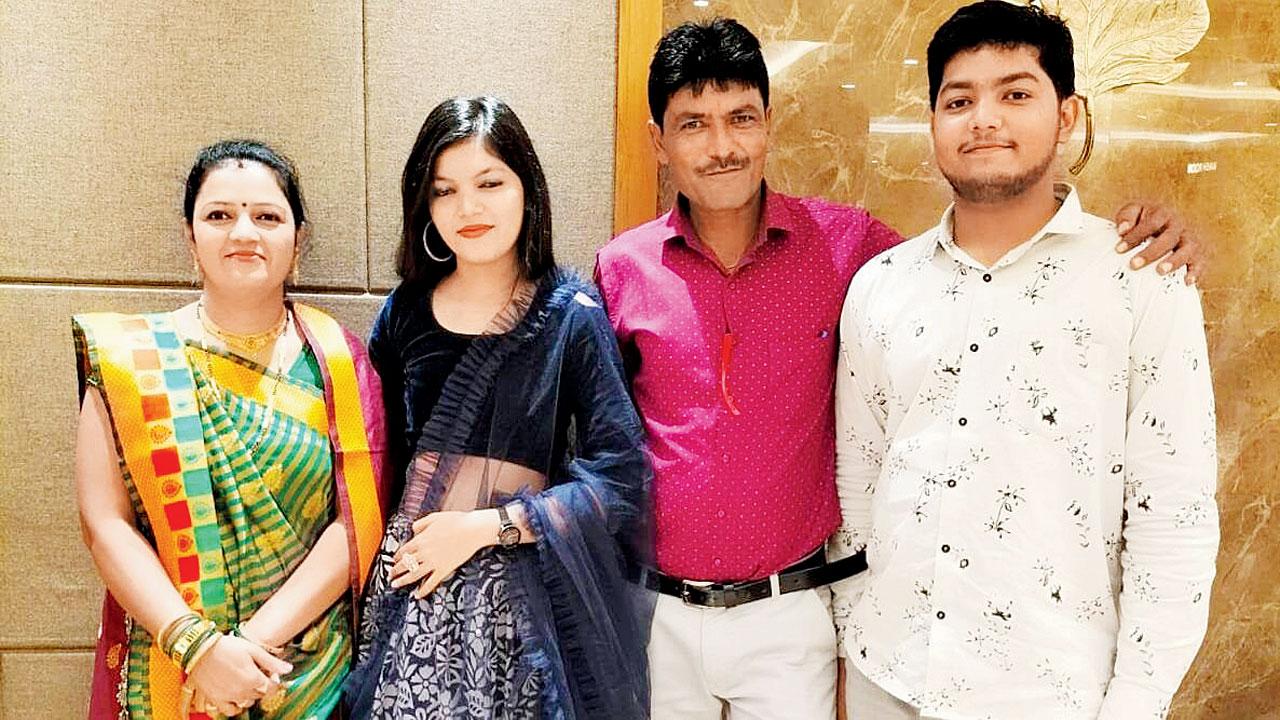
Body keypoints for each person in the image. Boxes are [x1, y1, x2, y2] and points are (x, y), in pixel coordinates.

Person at [594, 16, 1210, 720]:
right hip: (681, 616)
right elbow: (854, 473)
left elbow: (1176, 515)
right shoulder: (625, 269)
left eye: (741, 118)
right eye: (693, 124)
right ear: (659, 142)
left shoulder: (852, 251)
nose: (723, 146)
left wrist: (1170, 234)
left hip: (806, 619)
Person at [833, 3, 1219, 718]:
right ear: (933, 124)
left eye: (1015, 94)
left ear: (1067, 115)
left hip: (1052, 692)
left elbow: (1175, 511)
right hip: (889, 676)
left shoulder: (1140, 279)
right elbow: (859, 479)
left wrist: (1137, 702)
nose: (984, 119)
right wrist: (856, 624)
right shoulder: (881, 284)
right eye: (959, 99)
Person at [343, 96, 653, 720]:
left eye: (490, 183)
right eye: (445, 190)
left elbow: (621, 478)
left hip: (525, 594)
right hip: (413, 588)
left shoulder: (572, 316)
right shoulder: (403, 315)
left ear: (526, 190)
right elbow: (376, 466)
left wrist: (486, 528)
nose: (469, 208)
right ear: (425, 206)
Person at [74, 139, 391, 719]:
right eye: (219, 215)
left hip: (305, 673)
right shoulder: (128, 361)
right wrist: (200, 648)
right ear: (190, 238)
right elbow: (104, 522)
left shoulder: (341, 363)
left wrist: (251, 644)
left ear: (297, 240)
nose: (244, 233)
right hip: (173, 669)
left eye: (267, 217)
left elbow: (358, 521)